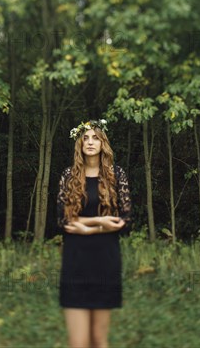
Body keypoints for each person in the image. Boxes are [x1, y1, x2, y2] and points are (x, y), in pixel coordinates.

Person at [56, 119, 133, 348]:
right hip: (75, 262)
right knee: (78, 343)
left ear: (103, 143)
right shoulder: (68, 176)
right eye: (86, 138)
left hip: (105, 262)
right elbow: (62, 221)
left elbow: (126, 221)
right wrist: (101, 221)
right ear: (79, 144)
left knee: (99, 340)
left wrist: (85, 227)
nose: (90, 142)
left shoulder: (116, 175)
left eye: (95, 137)